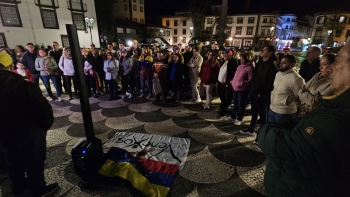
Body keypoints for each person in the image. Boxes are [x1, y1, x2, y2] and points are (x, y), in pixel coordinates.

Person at [258, 42, 350, 197]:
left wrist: (266, 130)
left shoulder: (337, 117)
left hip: (302, 189)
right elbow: (303, 93)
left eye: (338, 61)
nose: (331, 69)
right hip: (294, 185)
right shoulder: (332, 104)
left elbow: (286, 150)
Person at [0, 52, 59, 197]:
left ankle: (19, 191)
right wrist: (43, 128)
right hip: (30, 133)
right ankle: (38, 191)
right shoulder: (24, 86)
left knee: (13, 165)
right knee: (34, 164)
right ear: (10, 66)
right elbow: (43, 111)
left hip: (4, 135)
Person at [240, 45, 278, 137]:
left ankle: (261, 135)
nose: (261, 51)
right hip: (254, 92)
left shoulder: (272, 67)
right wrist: (252, 89)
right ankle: (251, 129)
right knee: (254, 112)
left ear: (270, 53)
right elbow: (254, 77)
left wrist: (262, 93)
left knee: (262, 115)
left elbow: (271, 83)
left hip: (262, 95)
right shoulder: (259, 63)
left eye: (264, 50)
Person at [268, 54, 304, 123]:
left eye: (284, 63)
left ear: (292, 65)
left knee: (281, 132)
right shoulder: (278, 74)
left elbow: (300, 96)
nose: (280, 65)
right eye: (281, 62)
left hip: (285, 112)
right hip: (272, 108)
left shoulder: (296, 79)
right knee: (270, 131)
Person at [227, 53, 254, 125]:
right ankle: (233, 116)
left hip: (242, 89)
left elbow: (250, 79)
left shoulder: (249, 68)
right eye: (240, 58)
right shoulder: (239, 66)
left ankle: (239, 118)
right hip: (235, 87)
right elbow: (235, 75)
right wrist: (232, 81)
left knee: (241, 105)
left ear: (247, 59)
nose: (241, 60)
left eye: (243, 58)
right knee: (235, 104)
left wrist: (242, 83)